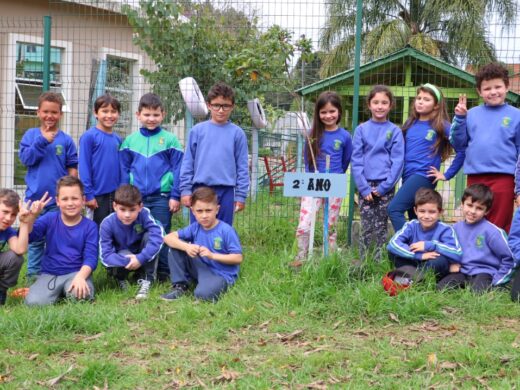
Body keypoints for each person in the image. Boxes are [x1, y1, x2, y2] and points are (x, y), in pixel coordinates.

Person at [120, 93, 183, 281]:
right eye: (147, 115)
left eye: (155, 115)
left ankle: (163, 272)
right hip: (136, 199)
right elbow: (123, 168)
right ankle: (140, 271)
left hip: (162, 198)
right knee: (138, 233)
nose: (151, 119)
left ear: (163, 114)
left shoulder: (171, 140)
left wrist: (175, 195)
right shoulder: (130, 141)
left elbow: (178, 169)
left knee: (161, 232)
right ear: (138, 114)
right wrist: (125, 194)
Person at [451, 63, 520, 232]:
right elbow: (459, 143)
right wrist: (460, 119)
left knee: (499, 221)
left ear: (507, 87)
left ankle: (498, 257)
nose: (493, 92)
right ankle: (473, 256)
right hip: (476, 176)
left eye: (498, 86)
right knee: (474, 218)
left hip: (504, 177)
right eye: (487, 88)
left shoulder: (516, 115)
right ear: (479, 91)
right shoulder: (472, 114)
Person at [387, 84, 464, 232]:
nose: (421, 101)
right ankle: (421, 251)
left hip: (423, 176)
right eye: (419, 98)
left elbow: (462, 150)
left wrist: (447, 175)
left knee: (394, 209)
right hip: (408, 176)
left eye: (426, 99)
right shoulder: (410, 123)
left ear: (436, 106)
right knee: (415, 219)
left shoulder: (442, 124)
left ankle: (405, 245)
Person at [19, 91, 78, 280]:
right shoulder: (31, 135)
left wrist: (71, 190)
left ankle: (53, 273)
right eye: (45, 111)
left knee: (55, 238)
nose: (49, 116)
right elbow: (26, 159)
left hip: (56, 201)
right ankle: (33, 276)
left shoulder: (66, 140)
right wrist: (43, 141)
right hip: (34, 200)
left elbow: (72, 167)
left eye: (54, 112)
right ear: (38, 112)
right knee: (35, 240)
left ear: (60, 114)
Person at [292, 91, 353, 264]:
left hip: (335, 184)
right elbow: (307, 159)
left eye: (332, 111)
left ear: (339, 112)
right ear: (318, 114)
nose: (328, 115)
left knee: (330, 223)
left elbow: (346, 160)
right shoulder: (312, 134)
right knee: (304, 224)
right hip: (313, 183)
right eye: (323, 112)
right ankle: (301, 255)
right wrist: (312, 178)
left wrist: (336, 177)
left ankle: (330, 256)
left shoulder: (345, 136)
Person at [179, 82, 249, 226]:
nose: (221, 110)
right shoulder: (197, 131)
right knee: (198, 230)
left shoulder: (237, 134)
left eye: (226, 106)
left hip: (226, 191)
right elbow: (188, 163)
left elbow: (242, 167)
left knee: (222, 232)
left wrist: (241, 195)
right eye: (216, 105)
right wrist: (186, 190)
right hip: (200, 190)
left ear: (232, 106)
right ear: (209, 105)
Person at [25, 176, 99, 306]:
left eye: (75, 198)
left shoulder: (90, 226)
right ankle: (52, 291)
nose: (70, 203)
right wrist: (32, 217)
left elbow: (91, 258)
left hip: (76, 272)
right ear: (57, 201)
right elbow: (30, 237)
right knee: (34, 303)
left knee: (81, 296)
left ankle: (68, 289)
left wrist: (81, 277)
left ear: (83, 200)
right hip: (50, 274)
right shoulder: (49, 218)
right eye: (65, 199)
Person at [161, 186, 243, 302]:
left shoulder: (226, 230)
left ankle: (206, 286)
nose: (204, 215)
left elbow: (238, 258)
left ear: (217, 209)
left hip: (220, 274)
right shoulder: (195, 227)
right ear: (193, 211)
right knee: (175, 246)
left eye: (208, 210)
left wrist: (212, 256)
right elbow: (168, 238)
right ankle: (180, 286)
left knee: (202, 295)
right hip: (200, 267)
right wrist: (187, 247)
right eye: (199, 211)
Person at [351, 85, 404, 261]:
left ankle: (379, 260)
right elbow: (356, 160)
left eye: (384, 102)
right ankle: (364, 260)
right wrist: (364, 188)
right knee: (366, 224)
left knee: (381, 224)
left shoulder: (395, 131)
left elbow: (398, 161)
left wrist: (385, 187)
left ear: (390, 105)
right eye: (376, 102)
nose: (380, 106)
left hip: (384, 186)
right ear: (369, 105)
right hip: (366, 185)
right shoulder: (361, 130)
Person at [437, 184, 514, 293]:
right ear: (462, 204)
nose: (473, 211)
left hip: (484, 272)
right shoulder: (455, 228)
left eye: (479, 208)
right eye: (469, 205)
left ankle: (504, 285)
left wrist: (498, 280)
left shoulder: (492, 232)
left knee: (478, 293)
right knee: (441, 288)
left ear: (486, 211)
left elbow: (509, 258)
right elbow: (448, 250)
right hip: (462, 271)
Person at [99, 184, 164, 300]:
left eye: (132, 210)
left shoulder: (144, 214)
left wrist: (141, 258)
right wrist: (129, 260)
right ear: (114, 206)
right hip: (122, 257)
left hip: (141, 255)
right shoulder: (107, 223)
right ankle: (121, 278)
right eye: (122, 210)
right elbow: (105, 255)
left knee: (150, 236)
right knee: (123, 252)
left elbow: (158, 235)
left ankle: (147, 279)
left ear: (140, 207)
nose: (127, 215)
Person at [387, 188, 462, 279]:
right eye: (422, 211)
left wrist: (430, 245)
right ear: (415, 211)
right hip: (414, 260)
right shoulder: (411, 225)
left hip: (431, 263)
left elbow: (457, 253)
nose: (426, 216)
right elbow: (393, 244)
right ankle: (418, 276)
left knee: (440, 261)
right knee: (393, 253)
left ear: (440, 212)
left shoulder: (446, 229)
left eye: (432, 212)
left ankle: (411, 276)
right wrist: (418, 255)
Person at [0, 190, 50, 305]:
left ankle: (1, 292)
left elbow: (20, 249)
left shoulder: (8, 231)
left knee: (15, 258)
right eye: (5, 212)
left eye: (13, 215)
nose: (8, 218)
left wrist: (24, 222)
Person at [79, 94, 122, 226]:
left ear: (118, 114)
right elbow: (84, 166)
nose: (109, 115)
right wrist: (89, 194)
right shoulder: (89, 137)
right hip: (97, 195)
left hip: (115, 195)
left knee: (113, 231)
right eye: (105, 111)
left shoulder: (118, 139)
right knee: (96, 231)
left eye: (113, 111)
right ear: (95, 113)